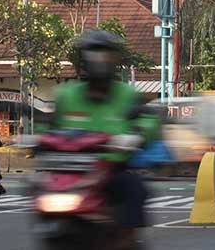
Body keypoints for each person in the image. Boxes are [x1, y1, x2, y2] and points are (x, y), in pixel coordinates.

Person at [52, 30, 159, 249]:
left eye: (105, 55)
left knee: (133, 186)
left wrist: (137, 135)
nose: (100, 61)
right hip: (70, 172)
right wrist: (32, 139)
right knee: (39, 189)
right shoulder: (67, 95)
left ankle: (126, 241)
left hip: (111, 170)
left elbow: (148, 120)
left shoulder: (126, 94)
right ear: (84, 58)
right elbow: (51, 126)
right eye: (94, 55)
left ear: (114, 59)